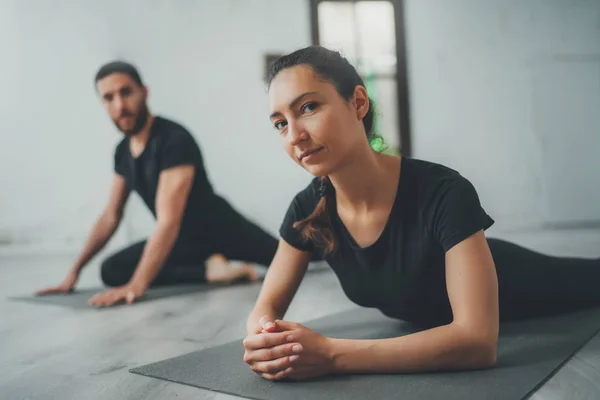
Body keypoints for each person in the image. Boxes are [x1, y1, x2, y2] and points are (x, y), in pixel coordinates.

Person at [242, 46, 600, 381]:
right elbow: (266, 306)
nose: (295, 136)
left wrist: (332, 354)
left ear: (358, 102)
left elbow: (477, 342)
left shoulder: (443, 191)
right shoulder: (308, 209)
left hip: (526, 281)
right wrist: (266, 340)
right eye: (280, 123)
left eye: (307, 108)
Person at [36, 61, 278, 307]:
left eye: (126, 92)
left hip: (219, 230)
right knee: (112, 270)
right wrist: (73, 272)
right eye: (109, 98)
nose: (120, 105)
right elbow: (110, 216)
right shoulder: (122, 153)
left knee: (295, 256)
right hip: (181, 244)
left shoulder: (174, 140)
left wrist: (137, 285)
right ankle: (211, 270)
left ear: (144, 92)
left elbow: (168, 221)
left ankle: (215, 263)